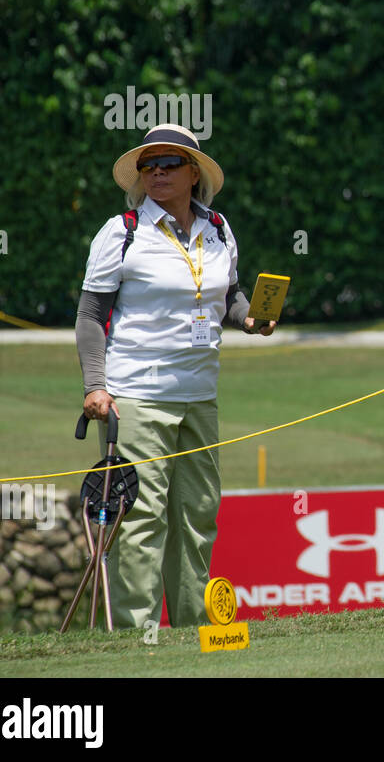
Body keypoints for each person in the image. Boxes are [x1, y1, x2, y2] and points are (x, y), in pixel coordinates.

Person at [76, 124, 276, 629]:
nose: (157, 173)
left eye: (168, 165)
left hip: (200, 394)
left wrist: (248, 317)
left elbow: (226, 295)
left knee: (198, 514)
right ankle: (136, 639)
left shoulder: (220, 229)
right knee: (141, 518)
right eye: (149, 166)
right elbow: (90, 316)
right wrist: (95, 386)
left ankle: (193, 633)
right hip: (136, 395)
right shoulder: (120, 231)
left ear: (194, 173)